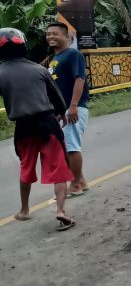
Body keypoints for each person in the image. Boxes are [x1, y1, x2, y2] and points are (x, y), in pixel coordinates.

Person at [0, 28, 76, 230]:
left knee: (26, 168)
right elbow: (59, 101)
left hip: (23, 128)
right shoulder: (39, 70)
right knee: (59, 168)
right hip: (47, 123)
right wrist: (60, 114)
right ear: (23, 44)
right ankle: (60, 211)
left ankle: (24, 210)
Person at [46, 22, 90, 197]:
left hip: (74, 108)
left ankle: (75, 184)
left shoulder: (73, 54)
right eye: (48, 34)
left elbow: (79, 79)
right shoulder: (55, 59)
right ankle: (82, 181)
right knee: (66, 148)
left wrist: (73, 106)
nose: (50, 36)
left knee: (72, 148)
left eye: (55, 33)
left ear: (67, 37)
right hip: (62, 111)